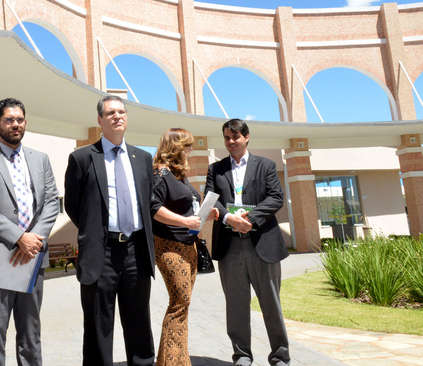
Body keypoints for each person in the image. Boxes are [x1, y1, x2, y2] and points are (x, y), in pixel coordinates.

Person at [64, 95, 156, 366]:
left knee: (139, 323)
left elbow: (147, 201)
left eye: (121, 112)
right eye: (110, 113)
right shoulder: (82, 158)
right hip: (100, 253)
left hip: (136, 251)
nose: (117, 116)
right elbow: (73, 206)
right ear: (100, 120)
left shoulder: (142, 158)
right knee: (98, 326)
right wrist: (93, 232)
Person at [0, 98, 60, 366]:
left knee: (31, 332)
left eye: (19, 120)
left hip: (32, 255)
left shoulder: (40, 159)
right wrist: (19, 237)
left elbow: (52, 202)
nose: (15, 124)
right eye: (9, 120)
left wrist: (33, 240)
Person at [204, 119, 290, 366]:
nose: (231, 142)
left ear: (246, 137)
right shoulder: (216, 169)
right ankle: (242, 355)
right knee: (236, 306)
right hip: (230, 246)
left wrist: (249, 219)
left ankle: (280, 356)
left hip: (262, 243)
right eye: (227, 138)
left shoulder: (266, 165)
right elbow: (211, 198)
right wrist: (229, 218)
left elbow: (276, 198)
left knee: (271, 304)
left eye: (235, 137)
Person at [151, 128, 214, 366]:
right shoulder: (160, 172)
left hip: (189, 245)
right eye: (187, 145)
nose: (190, 150)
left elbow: (187, 207)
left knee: (183, 305)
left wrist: (206, 214)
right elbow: (154, 208)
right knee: (179, 303)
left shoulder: (179, 176)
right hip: (168, 245)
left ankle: (178, 360)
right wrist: (185, 222)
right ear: (175, 147)